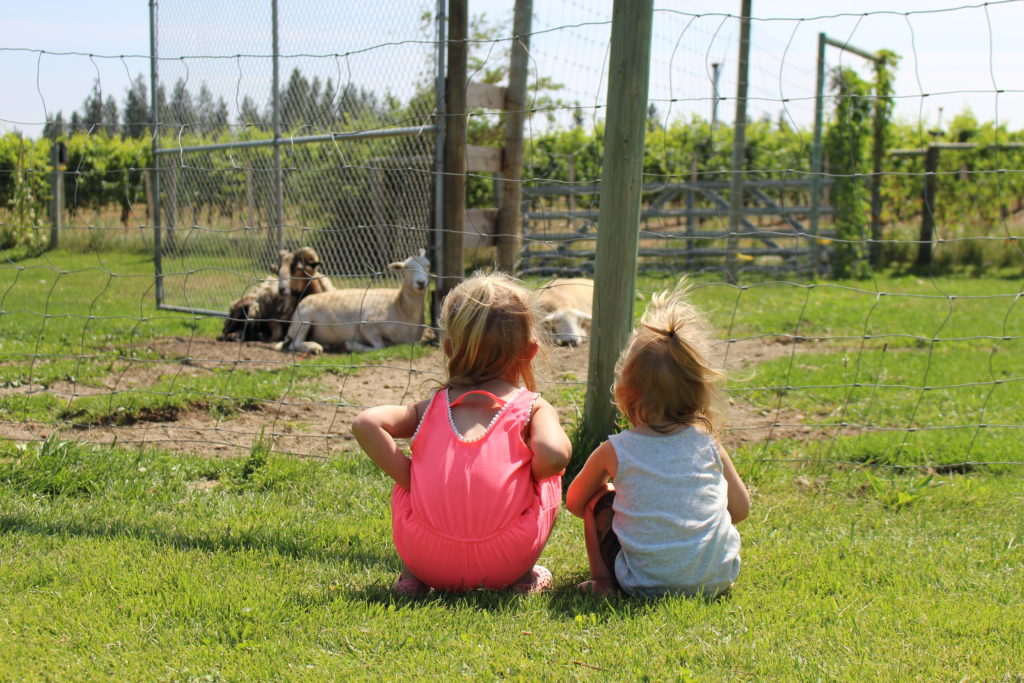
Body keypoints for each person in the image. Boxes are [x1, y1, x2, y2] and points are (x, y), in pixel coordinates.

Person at [352, 272, 572, 596]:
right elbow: (555, 456)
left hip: (427, 556)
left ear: (448, 348)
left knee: (416, 479)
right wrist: (529, 477)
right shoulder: (532, 408)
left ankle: (412, 578)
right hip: (504, 562)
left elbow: (365, 423)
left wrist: (410, 479)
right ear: (530, 351)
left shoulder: (430, 408)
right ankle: (524, 579)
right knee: (550, 477)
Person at [566, 286, 750, 598]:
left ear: (625, 391)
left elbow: (574, 502)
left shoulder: (616, 449)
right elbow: (741, 509)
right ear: (698, 392)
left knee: (599, 499)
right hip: (717, 579)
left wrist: (621, 499)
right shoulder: (708, 445)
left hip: (641, 581)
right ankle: (699, 564)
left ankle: (604, 582)